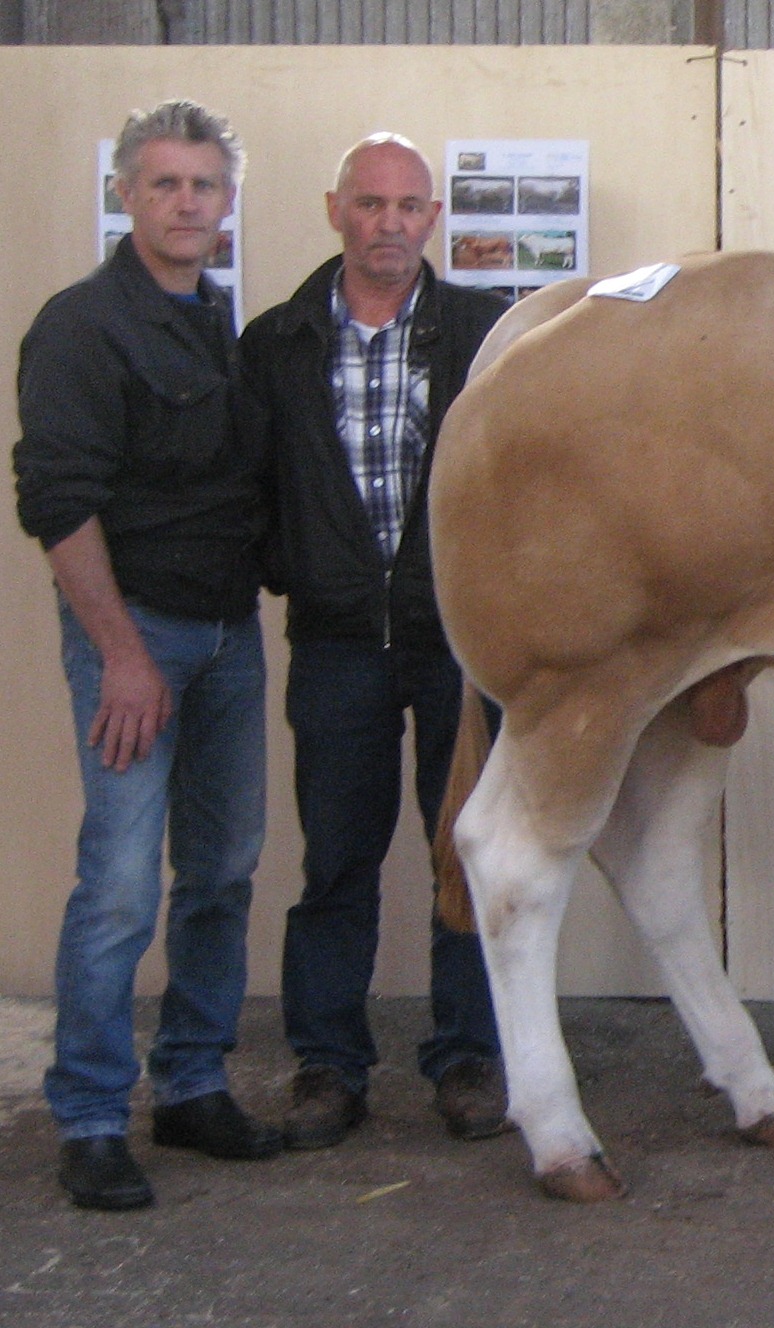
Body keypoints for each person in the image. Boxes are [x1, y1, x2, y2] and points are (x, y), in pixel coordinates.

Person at [14, 100, 282, 1212]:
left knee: (219, 873)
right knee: (121, 887)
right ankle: (86, 1114)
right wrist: (122, 654)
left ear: (227, 204)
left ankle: (190, 1085)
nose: (186, 203)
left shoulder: (216, 320)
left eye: (204, 186)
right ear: (123, 193)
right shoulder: (81, 326)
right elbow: (57, 501)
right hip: (139, 637)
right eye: (164, 183)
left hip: (228, 636)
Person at [239, 133, 512, 1150]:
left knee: (466, 854)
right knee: (336, 862)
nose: (389, 222)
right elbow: (250, 486)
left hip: (458, 638)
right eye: (370, 203)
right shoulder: (276, 342)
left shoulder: (485, 334)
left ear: (431, 219)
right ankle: (328, 1065)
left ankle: (469, 1057)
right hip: (337, 642)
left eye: (407, 205)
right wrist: (301, 567)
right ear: (334, 210)